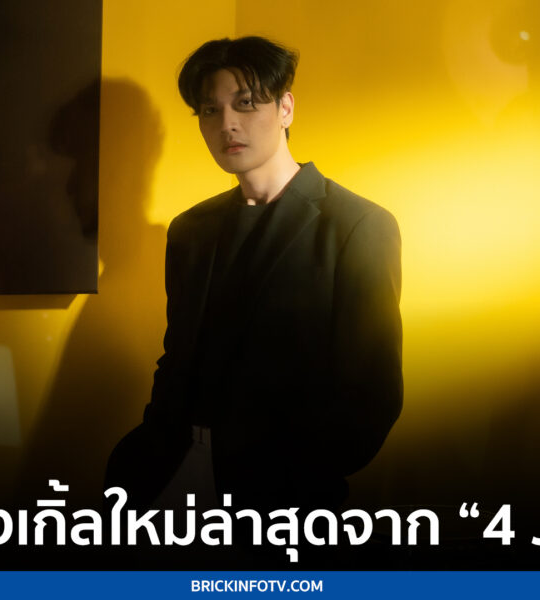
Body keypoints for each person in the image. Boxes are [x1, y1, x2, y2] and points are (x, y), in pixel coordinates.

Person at [105, 36, 402, 512]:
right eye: (210, 110)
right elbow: (178, 358)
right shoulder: (191, 230)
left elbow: (372, 393)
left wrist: (299, 474)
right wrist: (144, 456)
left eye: (246, 103)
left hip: (283, 496)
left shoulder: (357, 225)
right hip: (167, 475)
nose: (227, 124)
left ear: (285, 108)